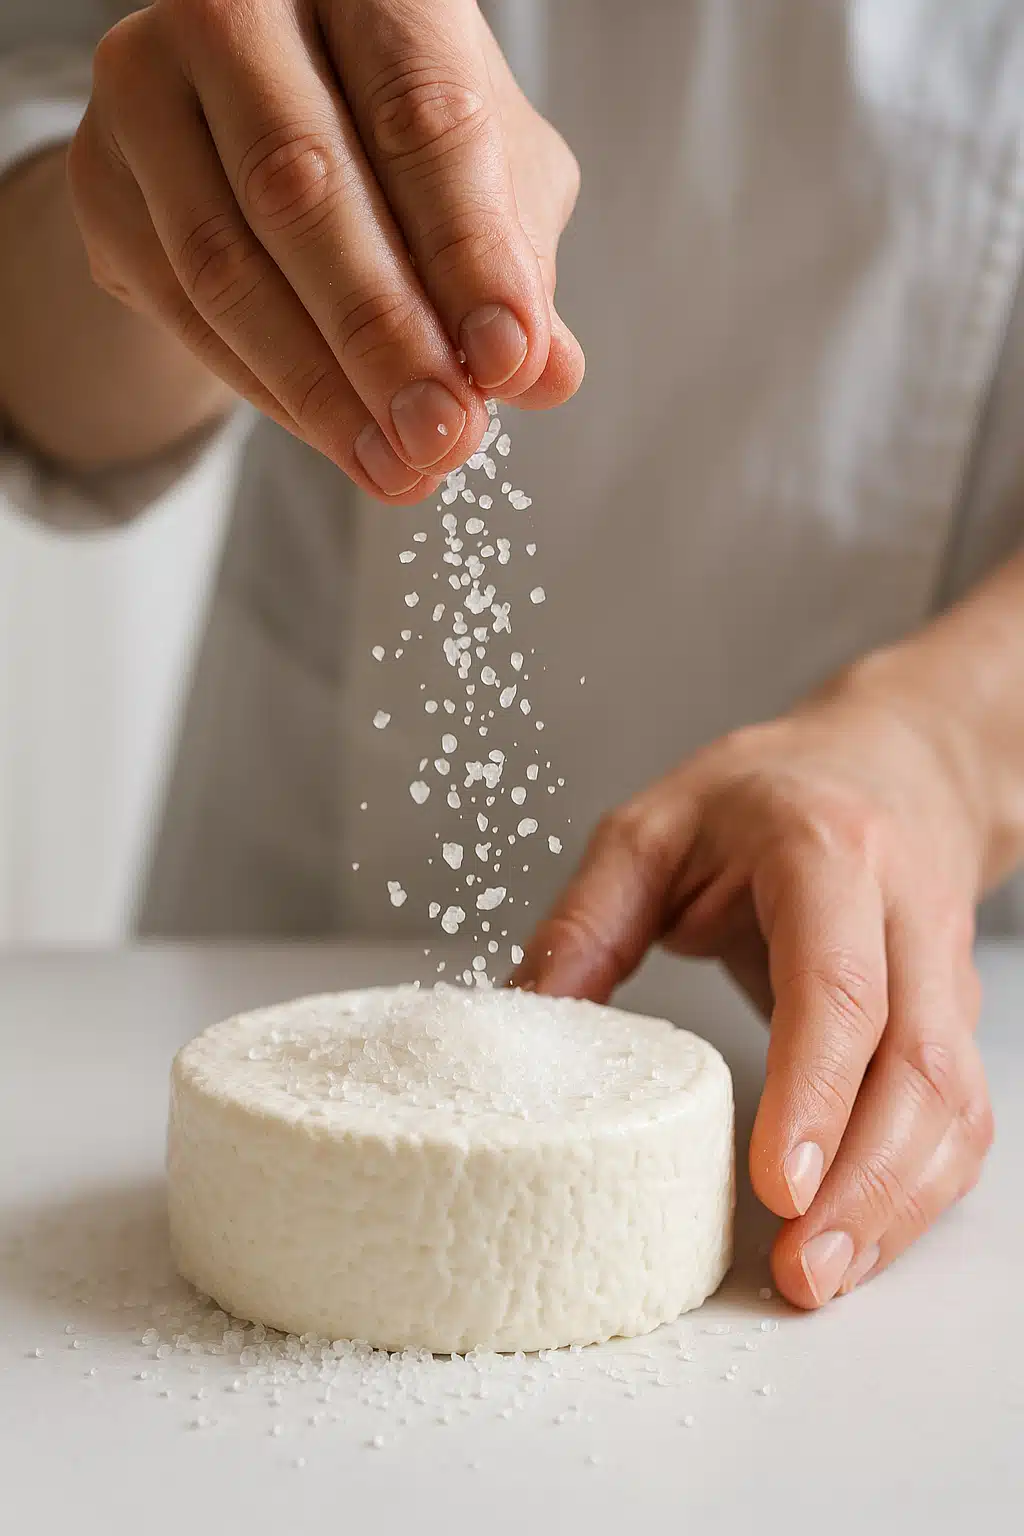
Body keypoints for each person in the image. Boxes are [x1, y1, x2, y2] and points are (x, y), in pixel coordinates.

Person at [2, 1, 1023, 1312]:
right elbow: (40, 307)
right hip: (294, 918)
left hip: (944, 928)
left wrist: (947, 742)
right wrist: (192, 220)